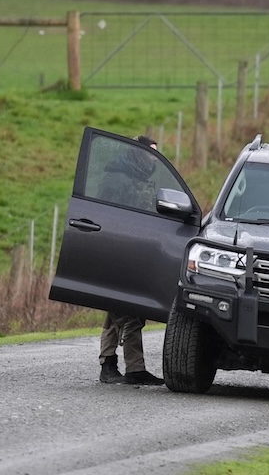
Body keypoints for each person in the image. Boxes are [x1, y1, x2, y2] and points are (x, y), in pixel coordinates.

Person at [96, 134, 165, 386]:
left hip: (135, 252)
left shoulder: (137, 177)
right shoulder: (116, 179)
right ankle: (133, 368)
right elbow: (106, 217)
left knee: (117, 310)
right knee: (129, 311)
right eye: (150, 154)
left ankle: (109, 364)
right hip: (120, 253)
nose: (153, 161)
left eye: (156, 156)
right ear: (137, 153)